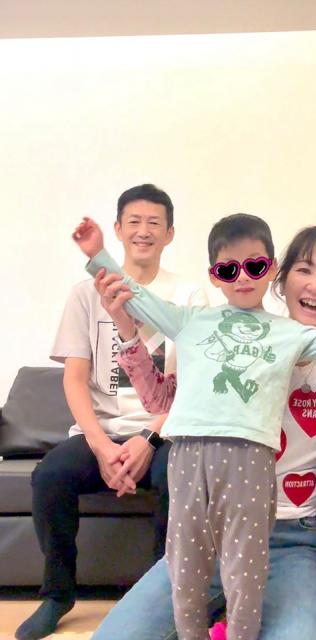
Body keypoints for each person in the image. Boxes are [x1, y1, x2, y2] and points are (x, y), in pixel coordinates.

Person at [73, 214, 316, 640]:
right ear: (282, 278)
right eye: (305, 269)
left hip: (290, 543)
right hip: (210, 533)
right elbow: (161, 402)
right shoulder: (228, 336)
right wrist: (127, 327)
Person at [15, 184, 208, 640]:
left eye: (154, 223)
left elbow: (195, 384)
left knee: (180, 475)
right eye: (134, 222)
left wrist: (148, 439)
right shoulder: (86, 294)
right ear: (119, 230)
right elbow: (74, 379)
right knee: (50, 476)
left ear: (170, 234)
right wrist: (101, 446)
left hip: (167, 431)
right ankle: (58, 594)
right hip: (102, 432)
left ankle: (162, 598)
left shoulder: (190, 296)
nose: (144, 231)